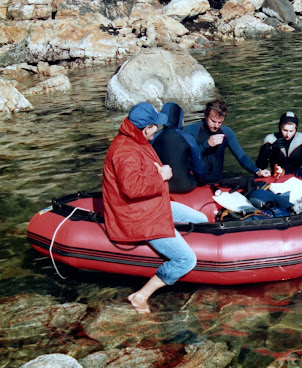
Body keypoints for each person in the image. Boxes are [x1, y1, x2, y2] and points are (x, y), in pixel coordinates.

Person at [102, 102, 199, 314]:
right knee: (186, 259)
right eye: (155, 125)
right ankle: (140, 296)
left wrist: (159, 173)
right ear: (146, 128)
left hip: (152, 205)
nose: (158, 128)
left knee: (200, 219)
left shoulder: (136, 139)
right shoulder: (125, 151)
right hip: (139, 216)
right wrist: (161, 176)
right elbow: (132, 187)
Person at [184, 98, 270, 184]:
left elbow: (241, 156)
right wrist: (206, 145)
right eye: (213, 121)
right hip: (195, 184)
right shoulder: (191, 130)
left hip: (218, 182)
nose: (216, 126)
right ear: (206, 116)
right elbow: (184, 159)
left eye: (220, 122)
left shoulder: (226, 132)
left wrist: (257, 171)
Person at [152, 102, 205, 193]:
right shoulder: (187, 137)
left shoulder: (153, 138)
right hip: (186, 185)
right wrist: (202, 181)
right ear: (178, 118)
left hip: (163, 186)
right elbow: (199, 168)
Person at [255, 111, 302, 178]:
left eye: (291, 131)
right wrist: (271, 151)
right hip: (277, 177)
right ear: (280, 128)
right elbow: (260, 166)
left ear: (296, 129)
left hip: (298, 175)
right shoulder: (269, 140)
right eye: (285, 130)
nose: (288, 134)